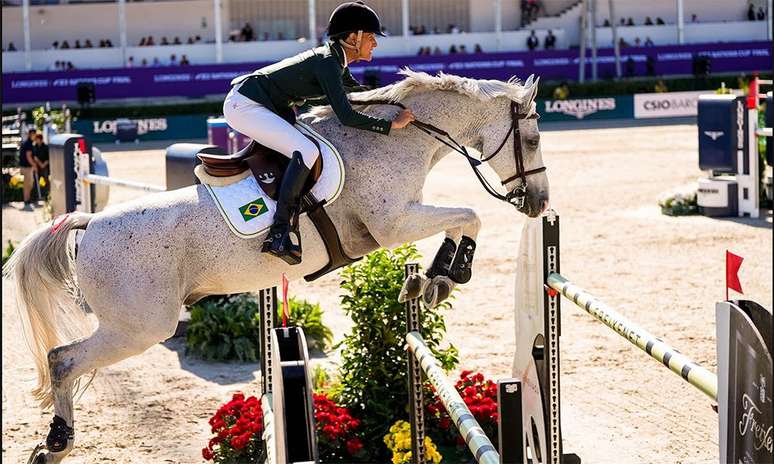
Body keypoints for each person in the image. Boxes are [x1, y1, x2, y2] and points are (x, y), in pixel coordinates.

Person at [224, 1, 415, 264]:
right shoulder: (328, 63)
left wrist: (397, 102)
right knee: (306, 150)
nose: (375, 44)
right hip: (245, 105)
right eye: (371, 37)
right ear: (353, 37)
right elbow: (347, 115)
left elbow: (360, 95)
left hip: (261, 104)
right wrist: (390, 125)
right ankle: (279, 232)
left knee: (309, 146)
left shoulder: (336, 61)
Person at [18, 128, 37, 209]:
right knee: (27, 185)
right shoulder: (28, 143)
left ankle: (28, 199)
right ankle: (26, 201)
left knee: (29, 184)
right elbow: (28, 157)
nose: (34, 136)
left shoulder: (29, 143)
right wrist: (34, 165)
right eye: (33, 134)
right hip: (26, 167)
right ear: (30, 134)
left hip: (27, 167)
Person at [32, 133, 49, 199]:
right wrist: (40, 164)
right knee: (36, 182)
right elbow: (35, 157)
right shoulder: (34, 147)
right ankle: (36, 196)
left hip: (45, 166)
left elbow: (48, 158)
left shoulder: (45, 147)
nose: (36, 140)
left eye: (37, 139)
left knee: (46, 181)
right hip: (37, 167)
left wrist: (43, 165)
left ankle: (47, 195)